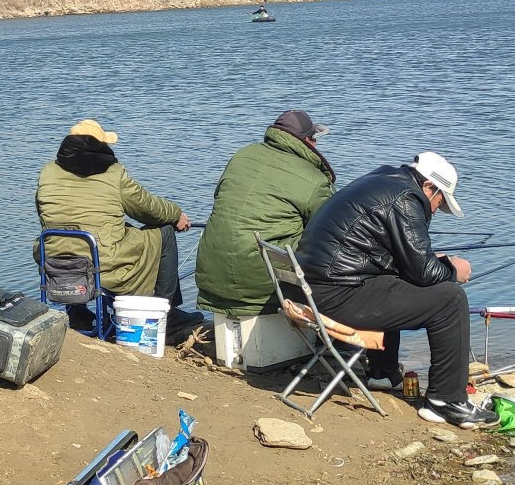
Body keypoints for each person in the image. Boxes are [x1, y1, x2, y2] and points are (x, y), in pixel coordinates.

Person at [288, 151, 491, 428]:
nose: (435, 210)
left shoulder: (383, 180)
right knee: (451, 300)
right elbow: (425, 274)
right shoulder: (407, 199)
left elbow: (400, 260)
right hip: (335, 297)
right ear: (429, 186)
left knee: (393, 282)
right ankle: (446, 401)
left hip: (312, 289)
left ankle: (383, 373)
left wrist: (434, 261)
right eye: (440, 202)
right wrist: (454, 270)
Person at [36, 119, 205, 343]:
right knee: (164, 231)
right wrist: (175, 214)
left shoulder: (47, 172)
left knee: (69, 239)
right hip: (103, 266)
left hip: (55, 262)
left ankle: (77, 314)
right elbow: (146, 208)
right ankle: (167, 312)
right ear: (100, 146)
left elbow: (44, 214)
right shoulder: (113, 173)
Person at [195, 110, 335, 321]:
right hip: (262, 285)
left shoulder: (242, 155)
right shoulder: (314, 179)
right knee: (330, 251)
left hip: (212, 277)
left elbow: (219, 198)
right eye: (314, 138)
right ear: (307, 141)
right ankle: (335, 334)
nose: (316, 144)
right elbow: (333, 230)